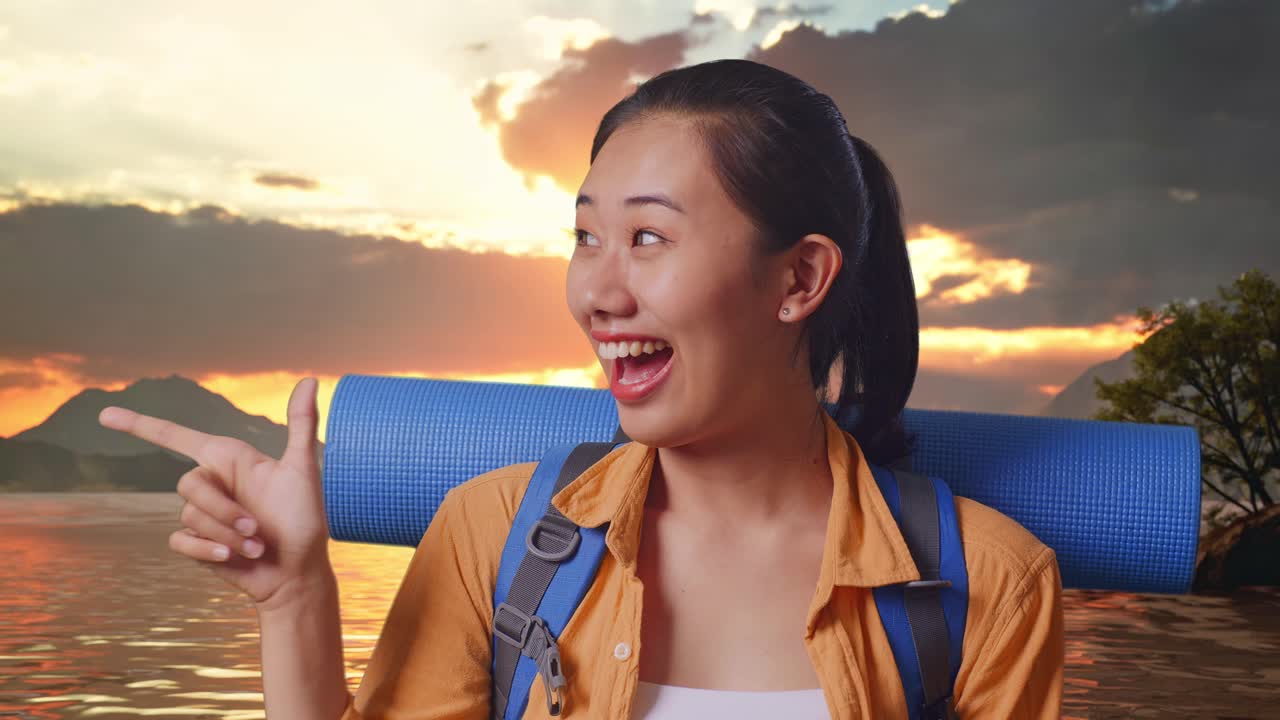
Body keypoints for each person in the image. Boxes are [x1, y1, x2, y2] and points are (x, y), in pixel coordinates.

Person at [99, 59, 1064, 719]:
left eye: (647, 237)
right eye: (586, 237)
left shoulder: (990, 587)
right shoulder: (493, 538)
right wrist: (292, 601)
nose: (597, 293)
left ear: (799, 278)